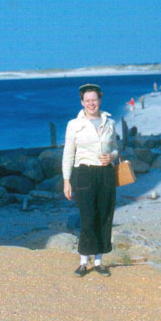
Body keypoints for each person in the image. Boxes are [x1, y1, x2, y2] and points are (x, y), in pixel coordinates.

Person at [62, 83, 118, 277]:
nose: (91, 103)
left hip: (106, 174)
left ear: (100, 100)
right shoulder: (74, 125)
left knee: (105, 215)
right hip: (84, 174)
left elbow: (116, 148)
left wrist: (111, 157)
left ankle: (100, 261)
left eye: (94, 99)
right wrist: (66, 180)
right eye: (87, 100)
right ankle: (84, 261)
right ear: (82, 102)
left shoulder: (110, 122)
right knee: (87, 217)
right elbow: (68, 153)